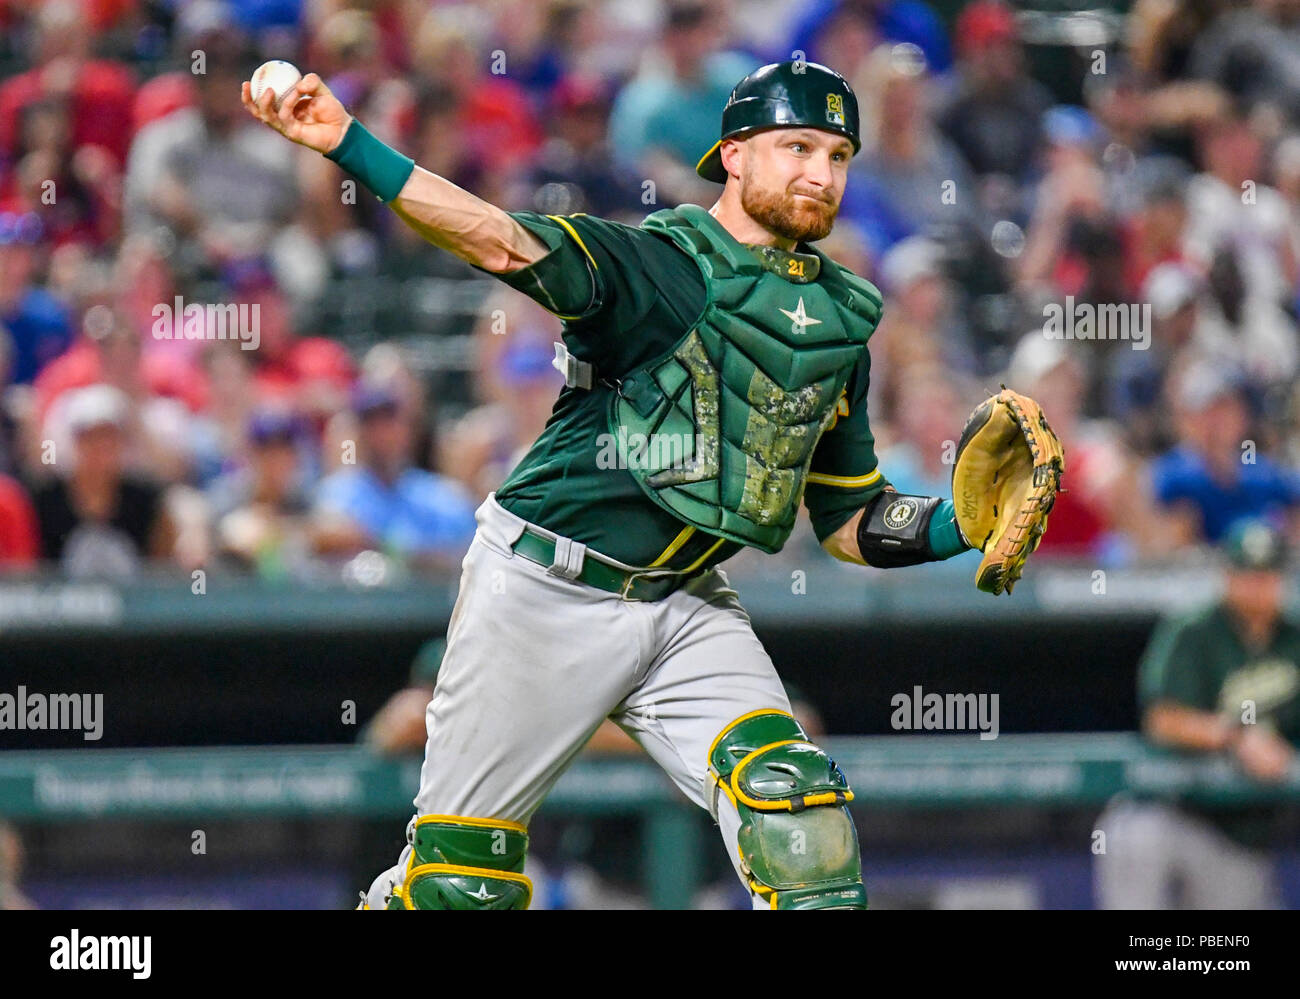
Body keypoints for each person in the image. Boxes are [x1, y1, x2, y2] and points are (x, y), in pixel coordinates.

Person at [242, 57, 988, 911]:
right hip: (544, 583)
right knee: (457, 891)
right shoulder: (660, 265)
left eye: (839, 154)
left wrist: (960, 520)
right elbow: (499, 238)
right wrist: (350, 144)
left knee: (800, 819)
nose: (821, 172)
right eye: (797, 146)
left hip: (685, 602)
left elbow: (851, 516)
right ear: (735, 154)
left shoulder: (839, 325)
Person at [1094, 519, 1299, 909]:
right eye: (1247, 573)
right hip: (1175, 810)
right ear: (1227, 575)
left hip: (1242, 834)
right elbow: (1162, 719)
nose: (1257, 585)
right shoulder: (1193, 630)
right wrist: (1237, 738)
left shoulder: (1294, 636)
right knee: (1130, 832)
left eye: (1267, 574)